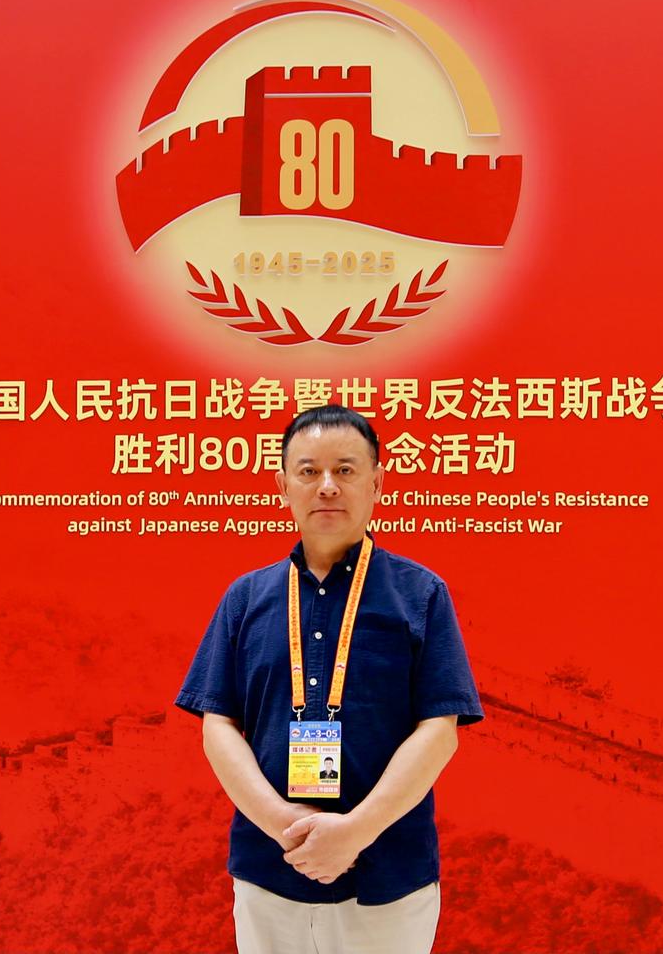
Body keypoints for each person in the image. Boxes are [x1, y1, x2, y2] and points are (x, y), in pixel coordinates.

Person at [175, 404, 483, 954]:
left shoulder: (421, 594)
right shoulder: (245, 598)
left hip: (388, 876)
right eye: (308, 470)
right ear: (283, 485)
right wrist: (283, 823)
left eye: (344, 469)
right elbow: (217, 724)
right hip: (270, 871)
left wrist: (357, 830)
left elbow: (440, 730)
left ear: (376, 482)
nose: (327, 486)